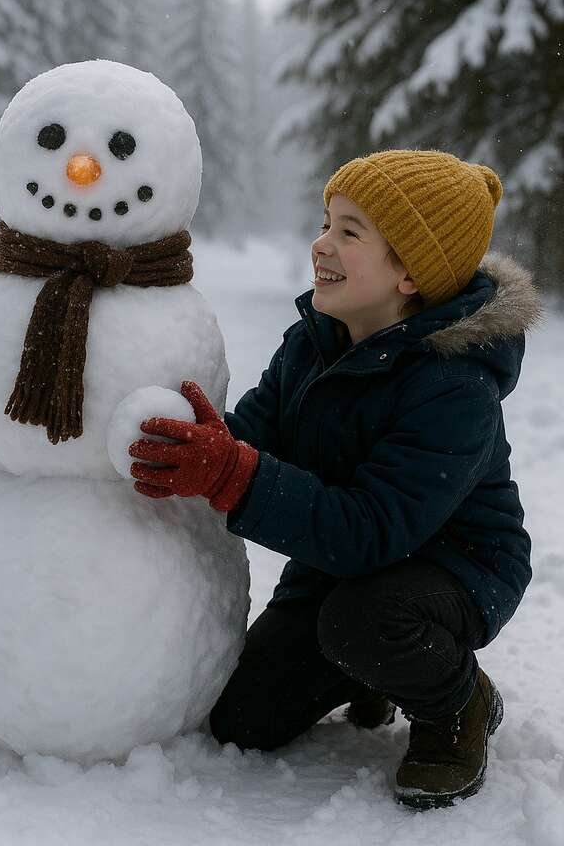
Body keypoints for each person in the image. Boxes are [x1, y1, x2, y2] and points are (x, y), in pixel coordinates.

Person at [129, 149, 541, 810]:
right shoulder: (315, 341)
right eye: (327, 222)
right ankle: (371, 669)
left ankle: (459, 703)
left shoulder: (455, 387)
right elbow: (259, 436)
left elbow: (374, 530)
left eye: (350, 232)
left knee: (364, 622)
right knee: (246, 722)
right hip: (346, 564)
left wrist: (235, 476)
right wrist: (210, 443)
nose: (321, 243)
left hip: (452, 568)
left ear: (409, 271)